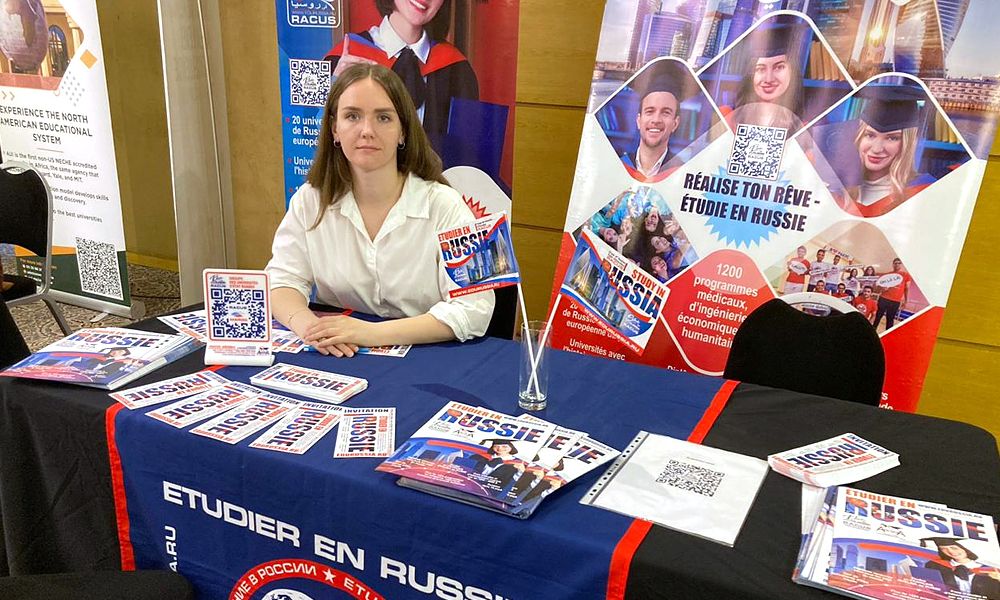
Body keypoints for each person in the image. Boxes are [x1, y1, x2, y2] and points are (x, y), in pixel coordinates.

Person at [266, 64, 494, 357]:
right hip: (337, 354)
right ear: (335, 129)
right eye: (352, 116)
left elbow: (475, 310)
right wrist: (312, 329)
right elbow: (281, 282)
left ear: (403, 132)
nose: (367, 131)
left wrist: (368, 333)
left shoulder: (446, 206)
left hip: (430, 357)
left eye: (383, 118)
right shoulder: (311, 201)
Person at [324, 0, 478, 153]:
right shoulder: (341, 60)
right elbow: (309, 139)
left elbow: (465, 157)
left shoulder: (457, 70)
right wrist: (335, 86)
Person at [837, 86, 934, 217]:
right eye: (870, 135)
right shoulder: (836, 185)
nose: (877, 149)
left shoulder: (923, 191)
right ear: (859, 136)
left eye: (892, 138)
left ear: (906, 144)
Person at [728, 21, 804, 130]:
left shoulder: (803, 127)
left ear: (793, 71)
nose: (768, 79)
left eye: (779, 67)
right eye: (760, 69)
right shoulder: (730, 120)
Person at [620, 71, 682, 180]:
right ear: (639, 120)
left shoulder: (682, 172)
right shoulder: (618, 166)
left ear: (675, 124)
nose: (656, 120)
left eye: (666, 112)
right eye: (650, 111)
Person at [921, 537, 1000, 599]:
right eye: (943, 549)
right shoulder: (934, 566)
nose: (951, 552)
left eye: (954, 548)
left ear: (965, 548)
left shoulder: (992, 570)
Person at [873, 257, 912, 331]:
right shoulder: (887, 275)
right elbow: (878, 288)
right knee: (878, 317)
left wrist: (905, 301)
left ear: (901, 264)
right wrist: (882, 289)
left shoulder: (906, 275)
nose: (897, 264)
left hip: (895, 301)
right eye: (895, 263)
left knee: (890, 319)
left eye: (898, 263)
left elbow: (906, 289)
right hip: (884, 298)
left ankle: (887, 336)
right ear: (893, 264)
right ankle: (872, 332)